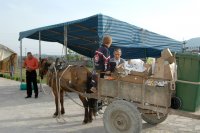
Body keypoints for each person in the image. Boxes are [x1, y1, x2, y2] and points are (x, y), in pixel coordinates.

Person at [93, 35, 112, 114]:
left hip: (96, 71)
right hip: (102, 73)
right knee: (102, 91)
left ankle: (98, 108)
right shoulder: (105, 50)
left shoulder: (98, 49)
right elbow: (106, 63)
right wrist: (108, 71)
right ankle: (97, 109)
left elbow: (95, 60)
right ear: (109, 42)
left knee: (97, 90)